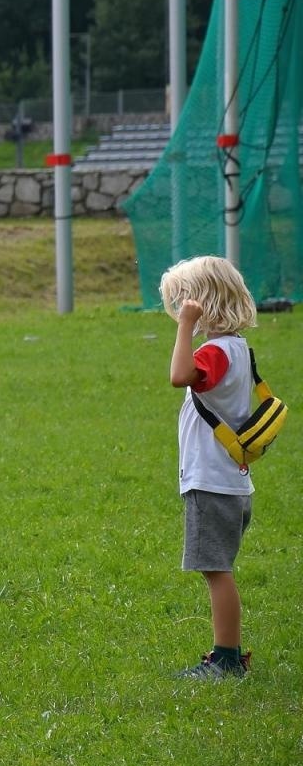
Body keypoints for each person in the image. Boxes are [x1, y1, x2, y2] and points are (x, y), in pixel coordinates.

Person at [158, 255, 259, 679]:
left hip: (212, 481)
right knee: (218, 569)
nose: (181, 310)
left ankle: (226, 660)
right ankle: (226, 655)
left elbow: (179, 374)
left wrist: (185, 327)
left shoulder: (216, 351)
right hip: (228, 480)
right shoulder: (236, 348)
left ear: (203, 303)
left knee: (217, 572)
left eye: (184, 302)